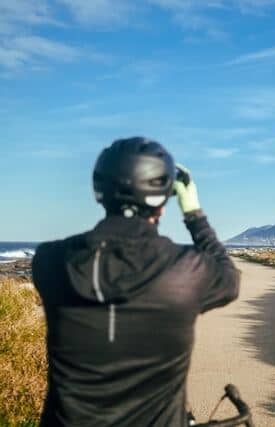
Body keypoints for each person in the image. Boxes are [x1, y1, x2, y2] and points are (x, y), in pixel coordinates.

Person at [32, 137, 240, 426]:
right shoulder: (186, 268)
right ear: (163, 200)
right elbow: (229, 280)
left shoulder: (49, 261)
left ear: (99, 192)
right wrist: (194, 213)